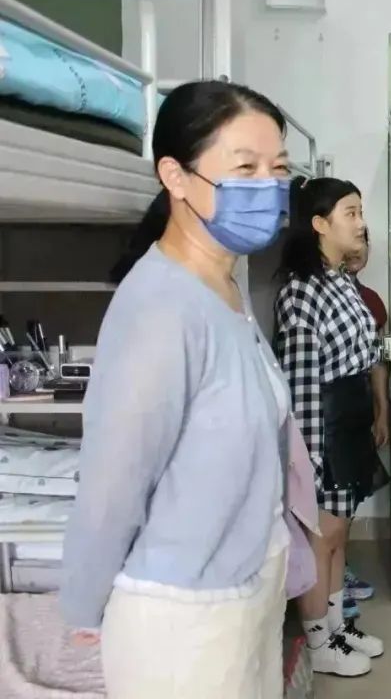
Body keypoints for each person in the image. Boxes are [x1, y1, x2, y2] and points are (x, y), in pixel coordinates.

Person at [61, 80, 296, 698]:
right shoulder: (160, 308)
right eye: (245, 168)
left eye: (279, 169)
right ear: (176, 176)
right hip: (183, 617)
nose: (269, 186)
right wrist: (83, 604)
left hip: (246, 594)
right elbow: (112, 483)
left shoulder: (226, 288)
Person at [275, 177, 387, 677]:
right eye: (351, 213)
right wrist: (310, 461)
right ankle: (318, 641)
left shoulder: (339, 280)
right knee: (321, 536)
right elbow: (301, 386)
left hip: (351, 416)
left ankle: (338, 626)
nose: (361, 223)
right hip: (325, 423)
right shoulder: (301, 293)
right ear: (320, 223)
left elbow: (366, 348)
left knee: (341, 532)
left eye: (360, 211)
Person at [339, 229, 387, 609]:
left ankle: (338, 572)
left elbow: (378, 361)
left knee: (351, 493)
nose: (358, 250)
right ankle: (331, 579)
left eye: (363, 243)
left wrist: (382, 411)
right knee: (331, 500)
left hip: (360, 410)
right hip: (330, 412)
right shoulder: (319, 293)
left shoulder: (371, 301)